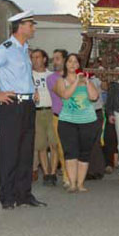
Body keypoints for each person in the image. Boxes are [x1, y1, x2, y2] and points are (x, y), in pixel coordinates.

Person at [0, 11, 46, 209]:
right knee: (10, 152)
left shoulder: (24, 50)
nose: (34, 28)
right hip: (11, 105)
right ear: (20, 26)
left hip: (28, 104)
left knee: (25, 151)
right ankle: (7, 196)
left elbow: (23, 75)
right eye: (31, 24)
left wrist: (33, 89)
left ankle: (24, 194)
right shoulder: (5, 49)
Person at [53, 53, 101, 192]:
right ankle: (72, 183)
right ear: (66, 64)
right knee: (70, 152)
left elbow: (94, 97)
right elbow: (65, 95)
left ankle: (80, 184)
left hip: (88, 121)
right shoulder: (60, 81)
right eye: (70, 61)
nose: (73, 64)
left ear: (79, 65)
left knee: (84, 153)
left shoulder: (87, 80)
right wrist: (75, 82)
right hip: (67, 121)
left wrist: (86, 82)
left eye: (75, 62)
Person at [31, 49, 58, 185]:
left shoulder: (51, 75)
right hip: (36, 112)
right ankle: (46, 173)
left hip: (51, 111)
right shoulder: (28, 76)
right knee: (41, 144)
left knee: (54, 143)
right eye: (33, 57)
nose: (35, 60)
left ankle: (53, 173)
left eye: (38, 57)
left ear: (44, 59)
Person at [46, 49, 70, 187]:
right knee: (61, 147)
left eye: (57, 59)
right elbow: (62, 93)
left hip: (74, 116)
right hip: (59, 116)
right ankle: (66, 176)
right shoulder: (51, 78)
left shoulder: (73, 76)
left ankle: (75, 174)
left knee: (74, 147)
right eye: (53, 59)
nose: (54, 62)